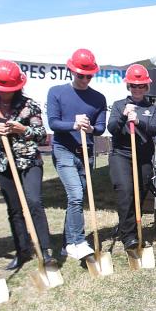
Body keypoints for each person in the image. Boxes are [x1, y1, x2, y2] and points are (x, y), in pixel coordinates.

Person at [0, 60, 56, 270]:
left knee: (33, 202)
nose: (5, 94)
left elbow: (42, 137)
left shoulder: (29, 105)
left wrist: (23, 130)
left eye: (10, 90)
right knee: (14, 209)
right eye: (1, 89)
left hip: (29, 161)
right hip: (5, 163)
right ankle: (22, 251)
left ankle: (45, 251)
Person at [46, 49, 107, 261]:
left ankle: (66, 243)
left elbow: (100, 127)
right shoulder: (56, 92)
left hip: (86, 152)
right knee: (76, 195)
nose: (84, 79)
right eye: (80, 75)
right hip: (64, 150)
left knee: (76, 199)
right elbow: (53, 122)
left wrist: (89, 129)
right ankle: (78, 242)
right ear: (71, 70)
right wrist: (73, 124)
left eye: (89, 75)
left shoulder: (98, 98)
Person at [107, 64, 156, 252]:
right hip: (121, 155)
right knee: (125, 191)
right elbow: (112, 128)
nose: (137, 89)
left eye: (141, 86)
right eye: (133, 86)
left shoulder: (151, 108)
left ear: (146, 87)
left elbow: (155, 128)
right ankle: (129, 235)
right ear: (128, 86)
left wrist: (139, 121)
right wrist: (123, 117)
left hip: (144, 156)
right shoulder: (119, 105)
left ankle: (125, 225)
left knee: (140, 192)